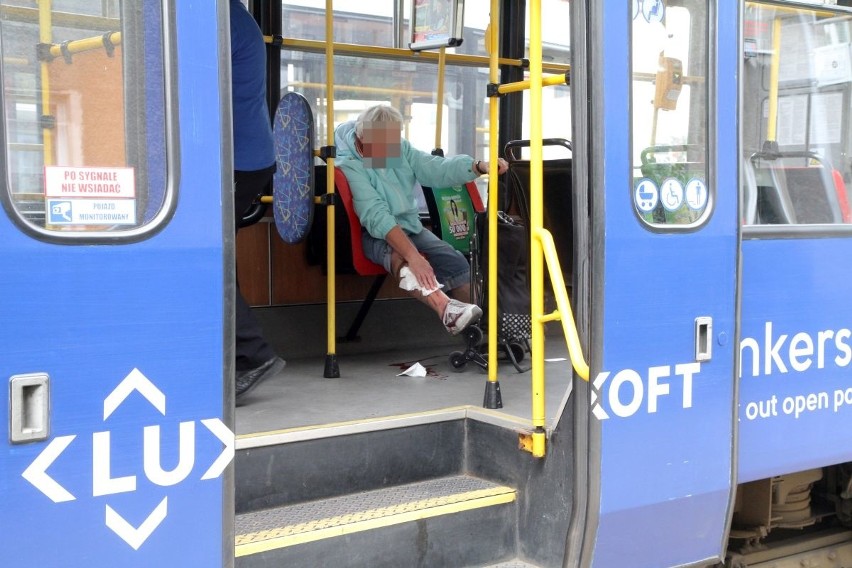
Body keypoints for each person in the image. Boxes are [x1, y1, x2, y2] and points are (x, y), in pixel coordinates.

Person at [335, 104, 508, 335]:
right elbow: (376, 215)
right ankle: (446, 309)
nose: (389, 152)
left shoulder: (397, 149)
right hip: (373, 233)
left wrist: (477, 167)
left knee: (455, 262)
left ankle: (478, 333)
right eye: (382, 146)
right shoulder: (349, 164)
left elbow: (434, 168)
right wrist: (414, 256)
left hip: (410, 226)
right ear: (362, 139)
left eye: (393, 143)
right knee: (403, 260)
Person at [230, 0, 285, 401]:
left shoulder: (220, 18)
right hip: (242, 156)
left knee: (204, 259)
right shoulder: (233, 17)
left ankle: (251, 355)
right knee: (211, 255)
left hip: (237, 158)